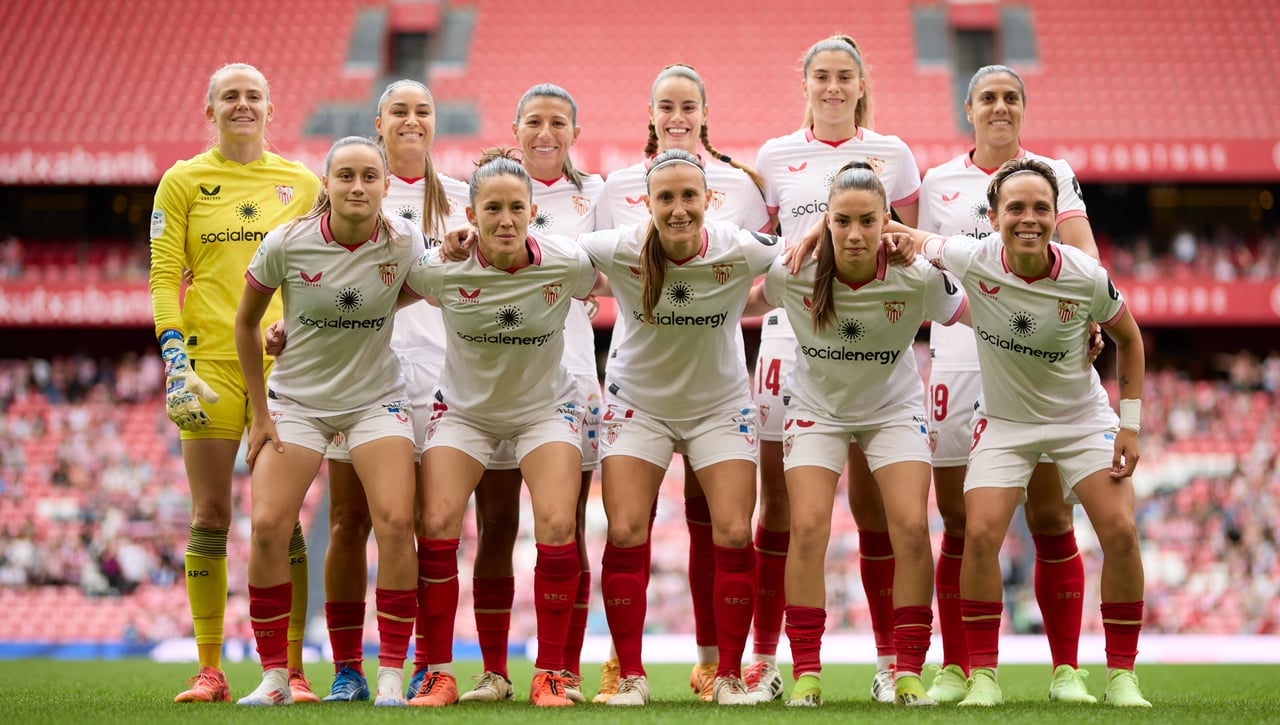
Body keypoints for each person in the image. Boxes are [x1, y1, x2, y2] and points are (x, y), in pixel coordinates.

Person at [915, 157, 1150, 708]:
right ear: (993, 215)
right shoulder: (973, 257)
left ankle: (1121, 677)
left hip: (1080, 419)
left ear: (1054, 214)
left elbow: (1131, 341)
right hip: (1005, 421)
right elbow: (912, 239)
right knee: (978, 534)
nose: (1029, 218)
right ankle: (984, 679)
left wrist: (1131, 427)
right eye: (1015, 208)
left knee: (1119, 531)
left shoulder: (1085, 275)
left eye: (1041, 208)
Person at [917, 65, 1103, 704]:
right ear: (968, 108)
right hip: (959, 358)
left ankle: (1066, 668)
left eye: (1010, 98)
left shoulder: (1051, 175)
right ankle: (959, 666)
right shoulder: (936, 181)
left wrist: (1087, 324)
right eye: (988, 98)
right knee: (959, 520)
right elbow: (916, 264)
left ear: (1023, 108)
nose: (999, 107)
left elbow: (1085, 260)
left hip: (1035, 367)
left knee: (1051, 516)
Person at [750, 162, 966, 707]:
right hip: (817, 410)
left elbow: (979, 310)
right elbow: (739, 301)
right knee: (807, 530)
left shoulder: (915, 274)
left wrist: (1078, 326)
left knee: (913, 530)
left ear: (886, 220)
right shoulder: (794, 270)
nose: (854, 234)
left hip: (892, 409)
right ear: (826, 221)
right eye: (842, 221)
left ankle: (908, 672)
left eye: (867, 221)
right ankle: (807, 675)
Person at [749, 34, 921, 704]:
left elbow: (906, 246)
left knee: (876, 509)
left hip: (874, 343)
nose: (832, 87)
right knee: (784, 511)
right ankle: (768, 662)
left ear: (859, 83)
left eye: (844, 76)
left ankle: (890, 661)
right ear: (805, 83)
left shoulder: (894, 155)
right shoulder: (774, 157)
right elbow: (760, 253)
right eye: (821, 76)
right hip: (788, 338)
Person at [594, 62, 771, 704]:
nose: (677, 207)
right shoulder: (613, 226)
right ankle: (627, 673)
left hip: (719, 402)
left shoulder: (740, 228)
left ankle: (723, 675)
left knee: (727, 530)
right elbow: (553, 256)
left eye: (688, 198)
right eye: (665, 198)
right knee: (623, 531)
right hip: (636, 401)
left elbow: (806, 252)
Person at [402, 150, 602, 708]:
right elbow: (378, 303)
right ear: (471, 213)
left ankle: (552, 674)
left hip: (545, 409)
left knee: (560, 523)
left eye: (517, 207)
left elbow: (625, 283)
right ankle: (438, 672)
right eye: (493, 208)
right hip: (466, 413)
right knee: (437, 522)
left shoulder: (566, 261)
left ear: (533, 210)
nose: (506, 219)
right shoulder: (438, 267)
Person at [148, 62, 321, 704]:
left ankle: (294, 669)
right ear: (209, 109)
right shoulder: (182, 181)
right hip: (208, 369)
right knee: (211, 515)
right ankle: (210, 669)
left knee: (282, 519)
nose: (242, 105)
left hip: (284, 368)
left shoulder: (302, 184)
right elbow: (166, 276)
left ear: (271, 109)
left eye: (253, 96)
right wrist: (174, 357)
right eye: (230, 97)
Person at [233, 136, 424, 706]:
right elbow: (245, 326)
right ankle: (273, 678)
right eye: (346, 176)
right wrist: (260, 414)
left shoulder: (404, 241)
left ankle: (390, 672)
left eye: (370, 176)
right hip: (296, 403)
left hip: (375, 400)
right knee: (268, 525)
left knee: (394, 523)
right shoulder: (285, 244)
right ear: (328, 184)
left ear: (386, 185)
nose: (358, 186)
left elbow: (413, 289)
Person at [308, 79, 470, 704]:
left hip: (440, 380)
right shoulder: (350, 196)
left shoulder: (461, 198)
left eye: (422, 111)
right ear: (378, 122)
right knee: (349, 521)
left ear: (434, 123)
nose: (411, 120)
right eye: (398, 111)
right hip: (360, 375)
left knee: (431, 527)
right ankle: (347, 667)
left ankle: (429, 666)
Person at [458, 84, 605, 705]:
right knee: (495, 526)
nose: (547, 133)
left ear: (575, 130)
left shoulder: (596, 195)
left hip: (572, 381)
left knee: (567, 527)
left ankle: (562, 669)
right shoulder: (487, 193)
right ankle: (494, 670)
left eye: (559, 123)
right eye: (535, 122)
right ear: (516, 129)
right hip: (495, 386)